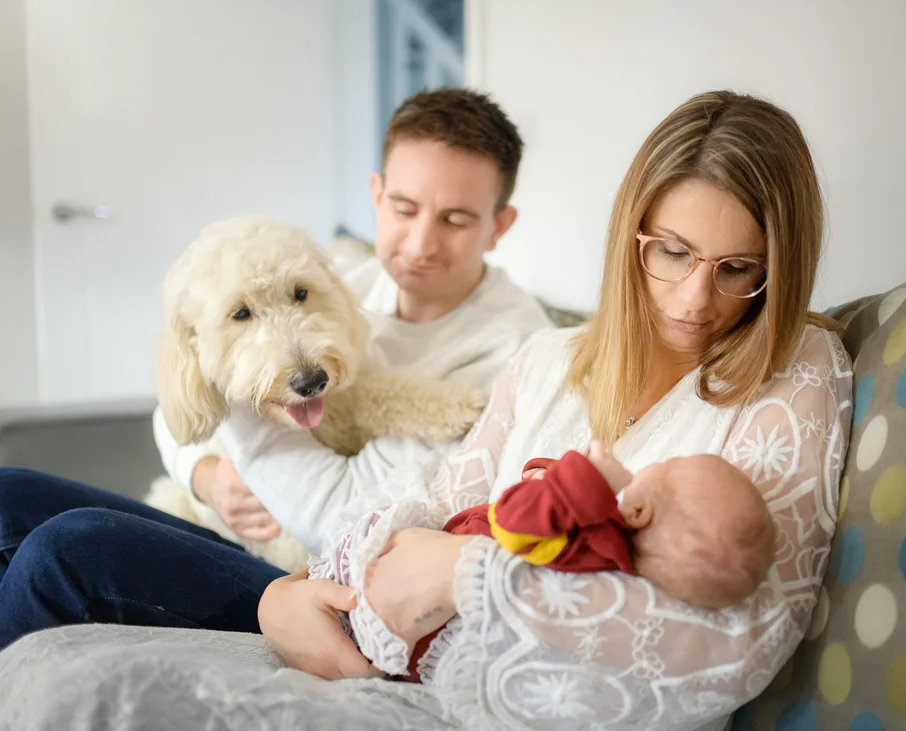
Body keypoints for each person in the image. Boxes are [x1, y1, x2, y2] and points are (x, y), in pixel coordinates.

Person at [0, 89, 853, 731]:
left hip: (438, 662)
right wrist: (295, 590)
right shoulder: (545, 358)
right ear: (632, 233)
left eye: (740, 266)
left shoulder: (798, 369)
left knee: (64, 552)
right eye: (671, 252)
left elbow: (743, 634)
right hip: (351, 594)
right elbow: (429, 492)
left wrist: (464, 572)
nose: (696, 298)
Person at [0, 88, 551, 649]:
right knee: (7, 494)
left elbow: (339, 517)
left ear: (500, 223)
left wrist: (244, 427)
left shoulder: (513, 353)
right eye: (404, 209)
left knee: (64, 550)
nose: (420, 244)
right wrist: (205, 475)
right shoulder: (350, 282)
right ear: (377, 195)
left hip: (312, 581)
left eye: (455, 219)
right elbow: (178, 414)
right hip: (226, 522)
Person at [307, 441, 777, 683]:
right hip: (417, 596)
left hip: (397, 618)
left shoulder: (597, 544)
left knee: (362, 536)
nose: (653, 463)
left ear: (639, 512)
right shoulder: (604, 557)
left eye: (668, 465)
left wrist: (585, 478)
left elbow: (513, 526)